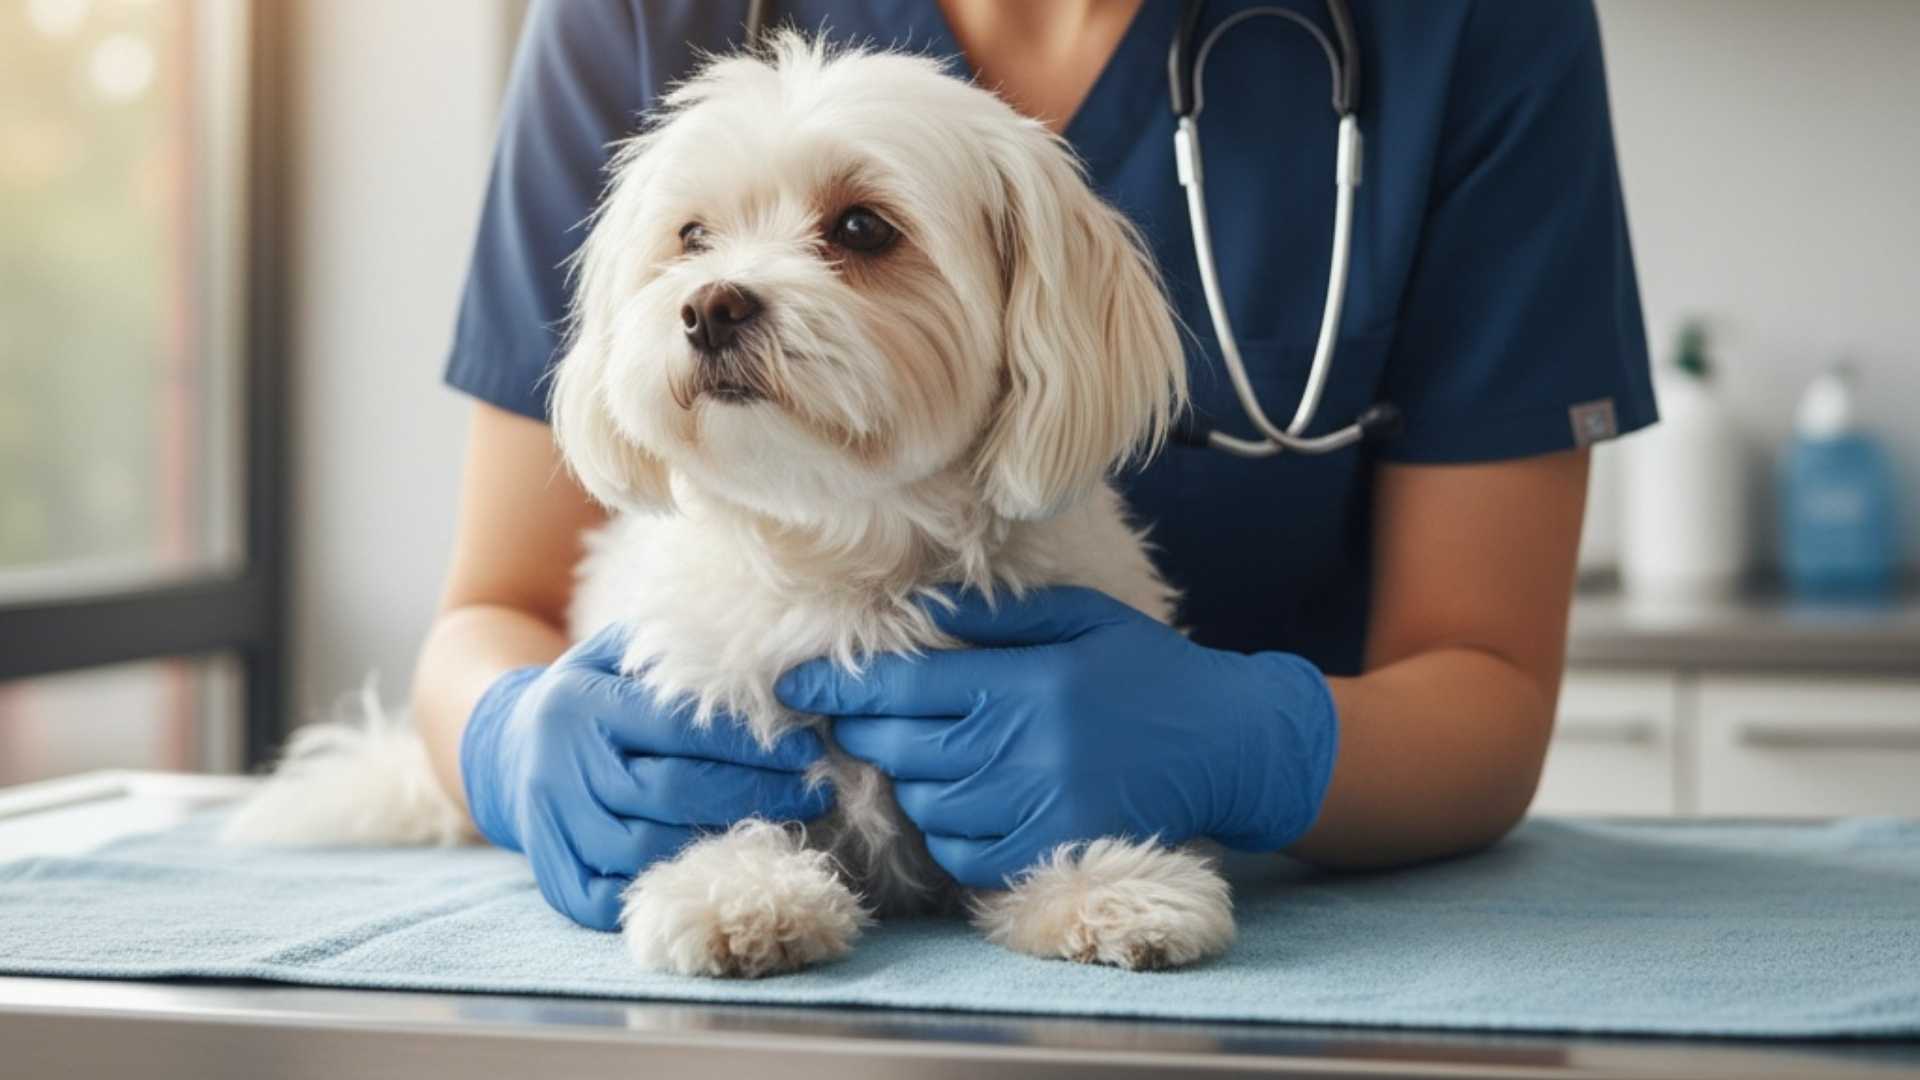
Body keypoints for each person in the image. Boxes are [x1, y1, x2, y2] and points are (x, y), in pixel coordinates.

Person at [420, 0, 1655, 929]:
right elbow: (494, 609)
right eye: (695, 242)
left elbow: (1488, 694)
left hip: (1307, 921)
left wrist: (1256, 747)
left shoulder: (1474, 25)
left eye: (857, 232)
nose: (717, 294)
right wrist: (512, 742)